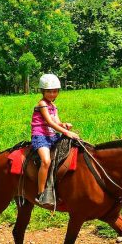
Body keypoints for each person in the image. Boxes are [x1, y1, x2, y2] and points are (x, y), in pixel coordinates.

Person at [31, 74, 79, 207]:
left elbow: (56, 121)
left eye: (54, 91)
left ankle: (57, 187)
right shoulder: (42, 104)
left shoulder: (53, 106)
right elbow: (49, 122)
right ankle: (40, 193)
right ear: (43, 91)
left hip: (52, 136)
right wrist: (66, 132)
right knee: (46, 161)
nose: (52, 94)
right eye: (49, 91)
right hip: (40, 136)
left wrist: (64, 124)